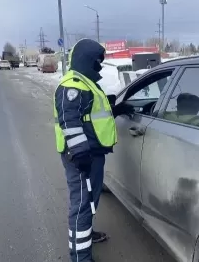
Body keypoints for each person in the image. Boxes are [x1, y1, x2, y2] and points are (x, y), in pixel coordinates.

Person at [53, 38, 134, 262]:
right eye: (96, 61)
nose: (99, 66)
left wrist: (115, 109)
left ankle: (86, 235)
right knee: (81, 206)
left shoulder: (86, 81)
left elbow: (92, 115)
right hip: (80, 156)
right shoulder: (72, 85)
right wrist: (80, 153)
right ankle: (80, 256)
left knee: (90, 201)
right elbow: (69, 121)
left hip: (92, 153)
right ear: (85, 59)